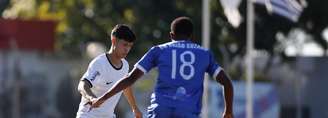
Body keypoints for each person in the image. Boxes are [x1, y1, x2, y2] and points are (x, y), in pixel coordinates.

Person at [91, 17, 234, 118]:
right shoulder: (204, 54)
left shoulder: (159, 50)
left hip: (161, 111)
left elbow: (130, 79)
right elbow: (227, 83)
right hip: (188, 112)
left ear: (171, 35)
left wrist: (102, 98)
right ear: (191, 36)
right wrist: (228, 112)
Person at [76, 24, 142, 118]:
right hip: (88, 115)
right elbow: (82, 85)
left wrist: (134, 108)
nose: (127, 49)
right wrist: (91, 98)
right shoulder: (100, 63)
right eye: (124, 45)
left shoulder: (125, 65)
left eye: (130, 46)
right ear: (114, 40)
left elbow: (125, 86)